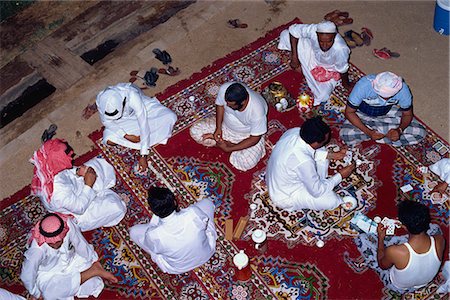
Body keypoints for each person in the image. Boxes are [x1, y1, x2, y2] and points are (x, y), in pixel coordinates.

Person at [30, 138, 127, 232]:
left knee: (97, 165)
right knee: (117, 207)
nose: (70, 158)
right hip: (79, 212)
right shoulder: (58, 194)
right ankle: (100, 198)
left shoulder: (48, 164)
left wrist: (76, 172)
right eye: (66, 157)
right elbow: (79, 208)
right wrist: (88, 184)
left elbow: (65, 173)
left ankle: (98, 191)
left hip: (74, 190)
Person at [20, 213, 118, 300]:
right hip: (49, 274)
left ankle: (93, 270)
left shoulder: (67, 224)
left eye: (58, 241)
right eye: (51, 243)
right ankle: (88, 274)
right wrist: (36, 293)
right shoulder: (37, 250)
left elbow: (80, 243)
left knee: (95, 284)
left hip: (73, 261)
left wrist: (93, 259)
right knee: (50, 294)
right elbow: (27, 275)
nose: (55, 245)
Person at [265, 117, 356, 211]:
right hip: (286, 196)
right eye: (324, 140)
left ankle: (318, 180)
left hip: (280, 177)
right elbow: (317, 192)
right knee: (331, 200)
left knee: (321, 150)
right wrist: (340, 175)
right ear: (315, 142)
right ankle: (320, 183)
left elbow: (306, 152)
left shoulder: (294, 132)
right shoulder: (303, 161)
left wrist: (333, 155)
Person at [356, 201, 445, 293]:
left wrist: (381, 238)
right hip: (424, 282)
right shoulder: (440, 240)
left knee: (362, 239)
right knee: (435, 228)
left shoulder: (395, 251)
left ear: (404, 226)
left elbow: (382, 266)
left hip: (398, 287)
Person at [129, 187, 217, 274]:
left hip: (178, 268)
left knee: (133, 232)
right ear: (175, 202)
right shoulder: (192, 213)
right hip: (206, 253)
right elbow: (204, 222)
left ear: (153, 212)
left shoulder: (153, 235)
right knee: (207, 203)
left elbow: (152, 247)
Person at [96, 83, 177, 171]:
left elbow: (143, 123)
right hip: (123, 120)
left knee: (170, 117)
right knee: (109, 139)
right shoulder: (101, 99)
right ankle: (145, 140)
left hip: (146, 110)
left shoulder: (132, 95)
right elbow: (107, 122)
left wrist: (143, 154)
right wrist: (125, 135)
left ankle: (143, 143)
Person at [190, 82, 268, 171]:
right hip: (224, 127)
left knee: (245, 162)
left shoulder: (257, 112)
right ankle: (224, 143)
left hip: (246, 136)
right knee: (195, 130)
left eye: (230, 105)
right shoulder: (226, 89)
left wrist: (228, 148)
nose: (227, 105)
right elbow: (220, 106)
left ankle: (224, 144)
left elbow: (254, 139)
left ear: (243, 102)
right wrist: (218, 128)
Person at [340, 71, 426, 147]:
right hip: (361, 114)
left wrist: (399, 130)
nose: (385, 100)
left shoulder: (403, 90)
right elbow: (349, 112)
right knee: (345, 134)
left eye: (388, 97)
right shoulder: (363, 86)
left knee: (420, 133)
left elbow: (407, 114)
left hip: (388, 113)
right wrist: (368, 132)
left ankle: (379, 134)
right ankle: (381, 133)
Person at [278, 20, 353, 106]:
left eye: (329, 41)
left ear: (334, 36)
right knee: (285, 35)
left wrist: (346, 85)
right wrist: (294, 57)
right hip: (312, 55)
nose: (324, 45)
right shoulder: (313, 29)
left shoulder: (341, 48)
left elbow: (342, 69)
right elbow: (293, 30)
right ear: (316, 34)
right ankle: (306, 71)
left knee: (322, 96)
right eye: (321, 41)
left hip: (328, 70)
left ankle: (305, 71)